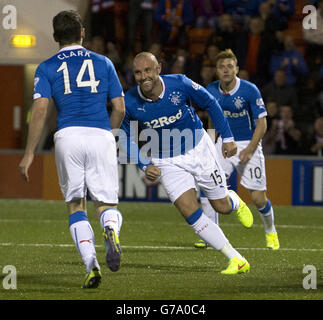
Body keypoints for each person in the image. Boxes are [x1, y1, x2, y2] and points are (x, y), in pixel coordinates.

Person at [18, 10, 125, 289]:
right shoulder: (104, 62)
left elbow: (40, 110)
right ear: (82, 33)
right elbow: (120, 108)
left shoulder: (46, 67)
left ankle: (92, 266)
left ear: (55, 37)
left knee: (76, 204)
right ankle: (111, 229)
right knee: (106, 203)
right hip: (100, 131)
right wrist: (109, 135)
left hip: (68, 136)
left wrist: (29, 153)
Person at [120, 51, 254, 275]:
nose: (143, 77)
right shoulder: (130, 101)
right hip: (165, 160)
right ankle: (236, 259)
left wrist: (227, 137)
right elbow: (124, 135)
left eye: (147, 70)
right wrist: (143, 164)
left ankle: (234, 201)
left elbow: (210, 103)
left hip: (199, 150)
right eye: (138, 72)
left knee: (220, 206)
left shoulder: (180, 83)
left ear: (158, 69)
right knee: (189, 211)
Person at [195, 49, 280, 250]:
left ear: (237, 69)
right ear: (216, 70)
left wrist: (250, 149)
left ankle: (271, 231)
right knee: (208, 186)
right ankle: (210, 233)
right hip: (222, 143)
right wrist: (209, 144)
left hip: (247, 144)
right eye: (222, 67)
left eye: (230, 67)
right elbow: (212, 120)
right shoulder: (211, 90)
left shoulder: (250, 90)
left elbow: (262, 124)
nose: (226, 70)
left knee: (258, 198)